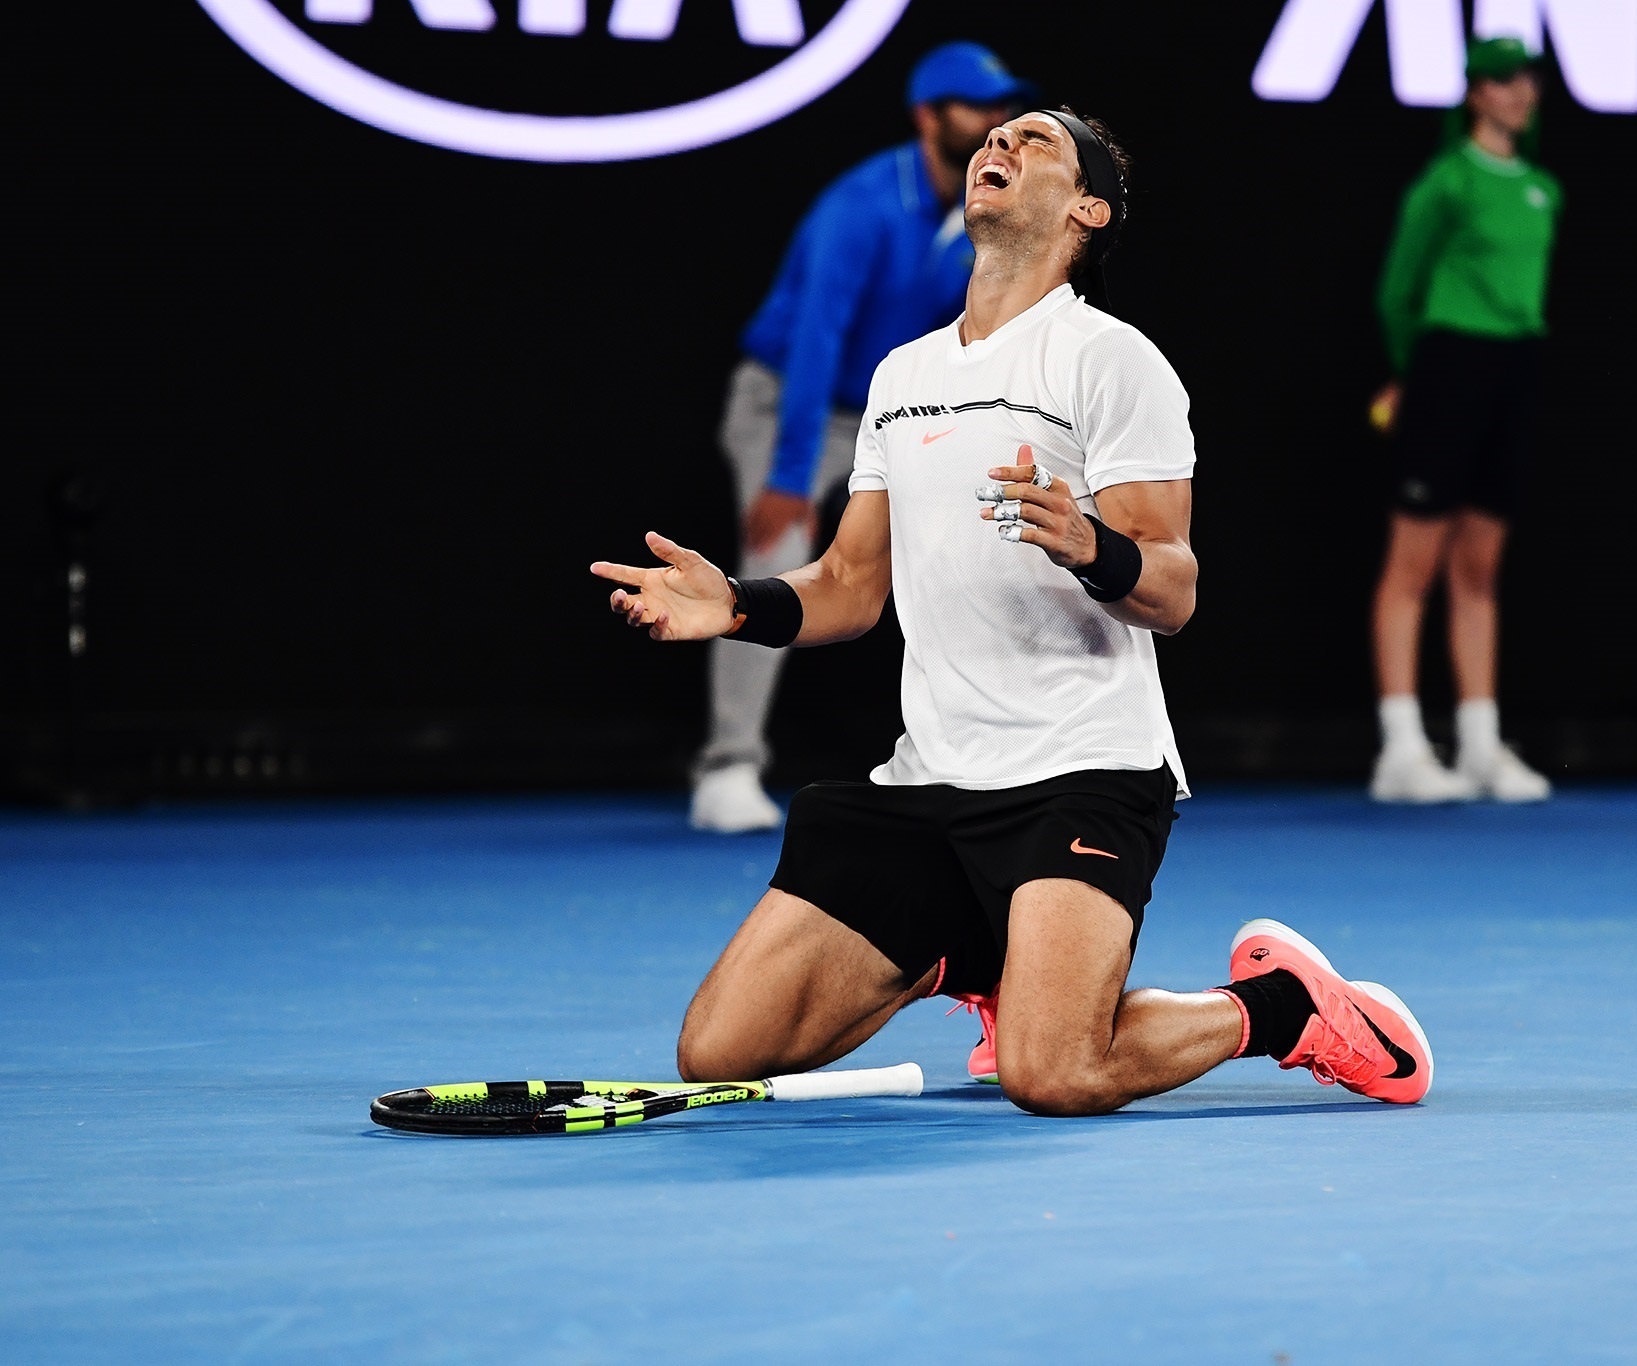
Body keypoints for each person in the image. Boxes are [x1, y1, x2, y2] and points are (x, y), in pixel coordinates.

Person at [593, 110, 1434, 1113]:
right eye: (994, 137)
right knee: (722, 1049)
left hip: (1076, 776)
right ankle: (979, 956)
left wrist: (1091, 546)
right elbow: (852, 587)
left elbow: (1173, 590)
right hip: (930, 781)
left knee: (1055, 1072)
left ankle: (1281, 1007)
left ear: (1086, 209)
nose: (999, 146)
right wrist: (736, 604)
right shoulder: (901, 376)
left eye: (1034, 141)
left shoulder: (1108, 361)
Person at [691, 42, 1034, 834]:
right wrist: (789, 475)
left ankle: (978, 762)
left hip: (891, 407)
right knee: (775, 562)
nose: (995, 124)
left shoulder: (985, 210)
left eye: (1001, 108)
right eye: (976, 109)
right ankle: (728, 766)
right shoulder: (861, 205)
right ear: (928, 117)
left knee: (981, 543)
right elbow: (818, 340)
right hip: (787, 405)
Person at [1367, 36, 1560, 803]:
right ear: (1476, 93)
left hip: (1517, 370)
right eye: (1503, 80)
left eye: (1527, 80)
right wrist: (1412, 375)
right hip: (1447, 366)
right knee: (1412, 565)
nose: (1520, 92)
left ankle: (1480, 743)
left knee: (1479, 568)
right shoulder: (1444, 183)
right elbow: (1394, 292)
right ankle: (1402, 747)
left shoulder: (1545, 187)